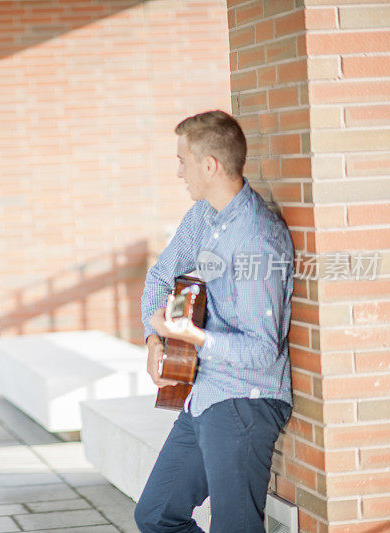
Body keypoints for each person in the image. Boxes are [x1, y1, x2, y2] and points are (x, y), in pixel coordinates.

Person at [134, 110, 294, 533]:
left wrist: (194, 336)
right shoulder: (204, 216)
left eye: (182, 161)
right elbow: (160, 274)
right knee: (155, 516)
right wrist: (154, 340)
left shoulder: (257, 238)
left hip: (245, 401)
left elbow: (262, 351)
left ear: (210, 165)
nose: (179, 172)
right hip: (203, 394)